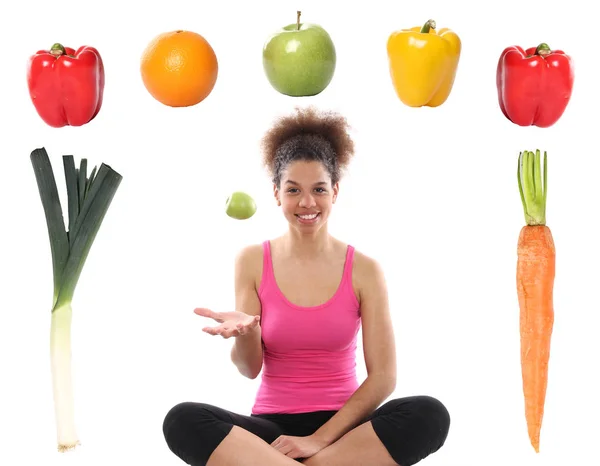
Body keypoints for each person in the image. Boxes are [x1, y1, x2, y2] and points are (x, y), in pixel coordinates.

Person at [162, 106, 450, 466]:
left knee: (429, 414)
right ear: (276, 194)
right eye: (293, 189)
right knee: (182, 420)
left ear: (336, 192)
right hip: (271, 431)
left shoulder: (365, 270)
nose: (307, 202)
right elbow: (249, 368)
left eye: (319, 189)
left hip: (345, 431)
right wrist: (246, 333)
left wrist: (318, 441)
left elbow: (384, 378)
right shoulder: (252, 260)